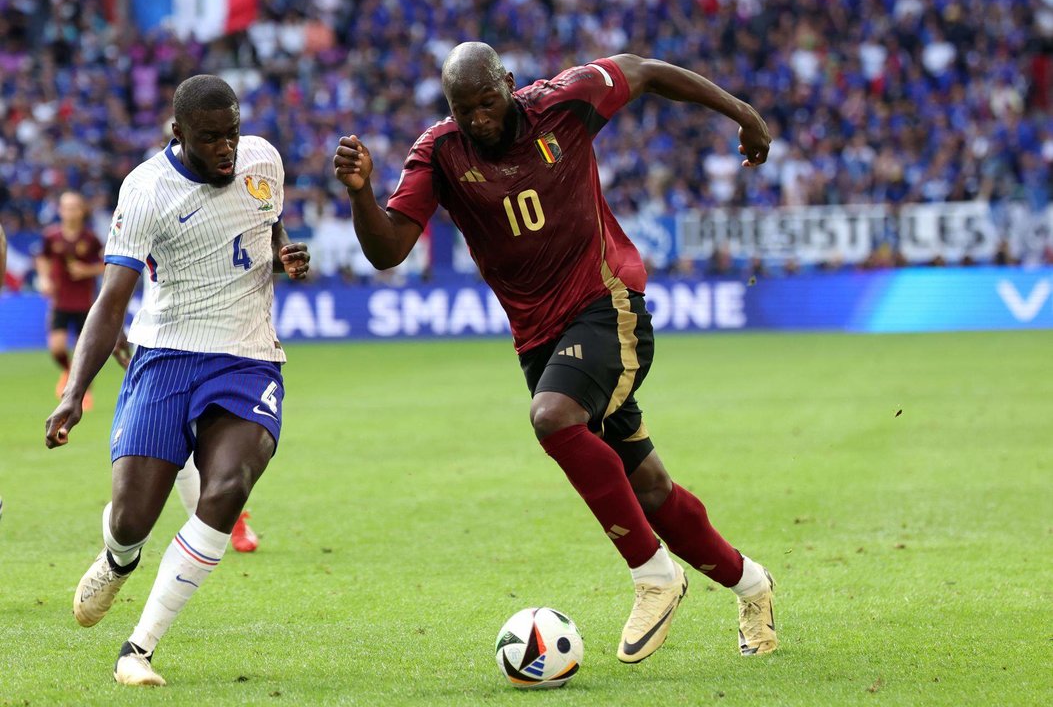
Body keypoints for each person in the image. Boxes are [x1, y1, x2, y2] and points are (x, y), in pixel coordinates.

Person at [333, 42, 778, 663]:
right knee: (648, 486)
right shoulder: (439, 151)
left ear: (508, 85)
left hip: (608, 306)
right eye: (464, 110)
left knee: (553, 417)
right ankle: (754, 587)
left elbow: (646, 71)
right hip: (539, 340)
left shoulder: (565, 102)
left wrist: (743, 113)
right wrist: (361, 195)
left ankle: (653, 574)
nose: (478, 119)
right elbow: (387, 251)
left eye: (487, 102)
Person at [45, 74, 309, 686]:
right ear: (178, 134)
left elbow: (266, 226)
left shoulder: (263, 159)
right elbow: (112, 301)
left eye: (232, 135)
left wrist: (284, 252)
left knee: (228, 485)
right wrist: (71, 393)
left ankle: (138, 648)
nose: (226, 149)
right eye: (211, 138)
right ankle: (117, 559)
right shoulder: (144, 190)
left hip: (247, 357)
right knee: (133, 518)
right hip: (164, 354)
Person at [34, 191, 109, 407]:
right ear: (60, 210)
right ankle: (69, 373)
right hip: (60, 301)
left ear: (82, 210)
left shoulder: (91, 238)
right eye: (66, 207)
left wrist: (87, 270)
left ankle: (82, 391)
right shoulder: (51, 236)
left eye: (74, 207)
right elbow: (43, 258)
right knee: (57, 348)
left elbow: (106, 265)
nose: (70, 212)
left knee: (82, 352)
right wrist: (44, 279)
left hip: (84, 302)